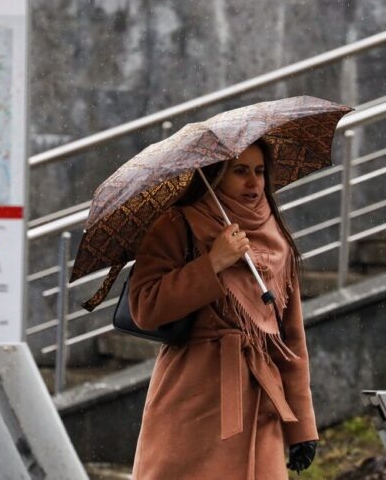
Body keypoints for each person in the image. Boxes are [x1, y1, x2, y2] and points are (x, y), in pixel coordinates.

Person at [129, 138, 318, 479]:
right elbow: (146, 306)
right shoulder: (178, 225)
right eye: (240, 171)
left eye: (260, 172)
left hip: (261, 403)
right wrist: (212, 263)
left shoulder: (277, 237)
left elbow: (290, 342)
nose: (253, 183)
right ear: (215, 176)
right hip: (193, 398)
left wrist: (302, 428)